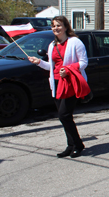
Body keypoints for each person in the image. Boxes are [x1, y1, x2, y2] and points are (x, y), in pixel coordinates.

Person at [28, 16, 88, 158]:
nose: (56, 28)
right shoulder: (52, 45)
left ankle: (78, 145)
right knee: (64, 117)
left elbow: (84, 62)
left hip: (70, 82)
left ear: (66, 27)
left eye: (59, 25)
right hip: (56, 83)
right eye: (53, 26)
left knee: (64, 114)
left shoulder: (75, 42)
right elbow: (51, 66)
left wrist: (68, 69)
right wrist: (38, 62)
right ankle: (71, 145)